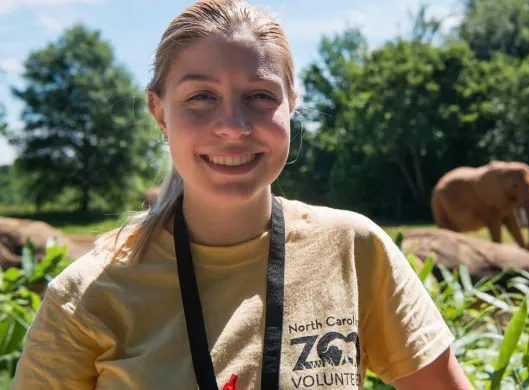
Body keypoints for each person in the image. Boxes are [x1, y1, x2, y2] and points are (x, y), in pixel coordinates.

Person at [11, 1, 473, 389]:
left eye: (260, 96)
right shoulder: (87, 297)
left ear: (292, 102)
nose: (233, 125)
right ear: (159, 112)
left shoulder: (354, 250)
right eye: (200, 97)